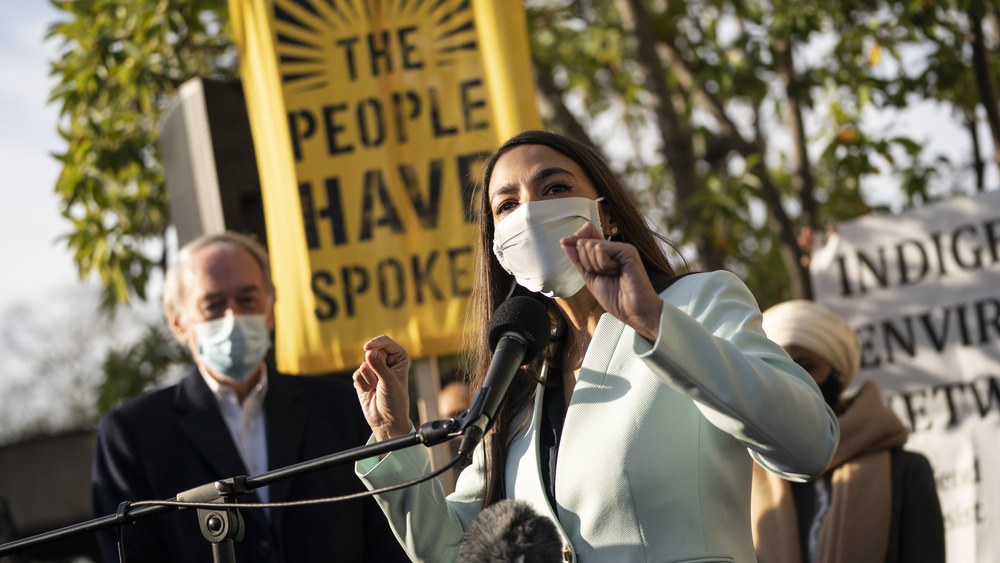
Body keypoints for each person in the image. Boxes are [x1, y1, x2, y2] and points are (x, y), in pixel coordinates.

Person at [351, 130, 840, 562]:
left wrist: (653, 323)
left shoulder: (696, 303)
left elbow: (809, 444)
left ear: (605, 215)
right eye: (507, 205)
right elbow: (457, 552)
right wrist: (394, 434)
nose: (531, 212)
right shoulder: (521, 373)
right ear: (498, 246)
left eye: (555, 188)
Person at [91, 231, 407, 563]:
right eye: (213, 304)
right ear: (178, 324)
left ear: (270, 311)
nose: (233, 317)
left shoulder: (344, 407)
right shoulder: (131, 434)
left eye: (247, 299)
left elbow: (390, 534)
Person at [753, 299, 945, 563]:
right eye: (777, 367)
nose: (793, 380)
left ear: (837, 375)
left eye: (806, 366)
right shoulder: (745, 477)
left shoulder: (905, 471)